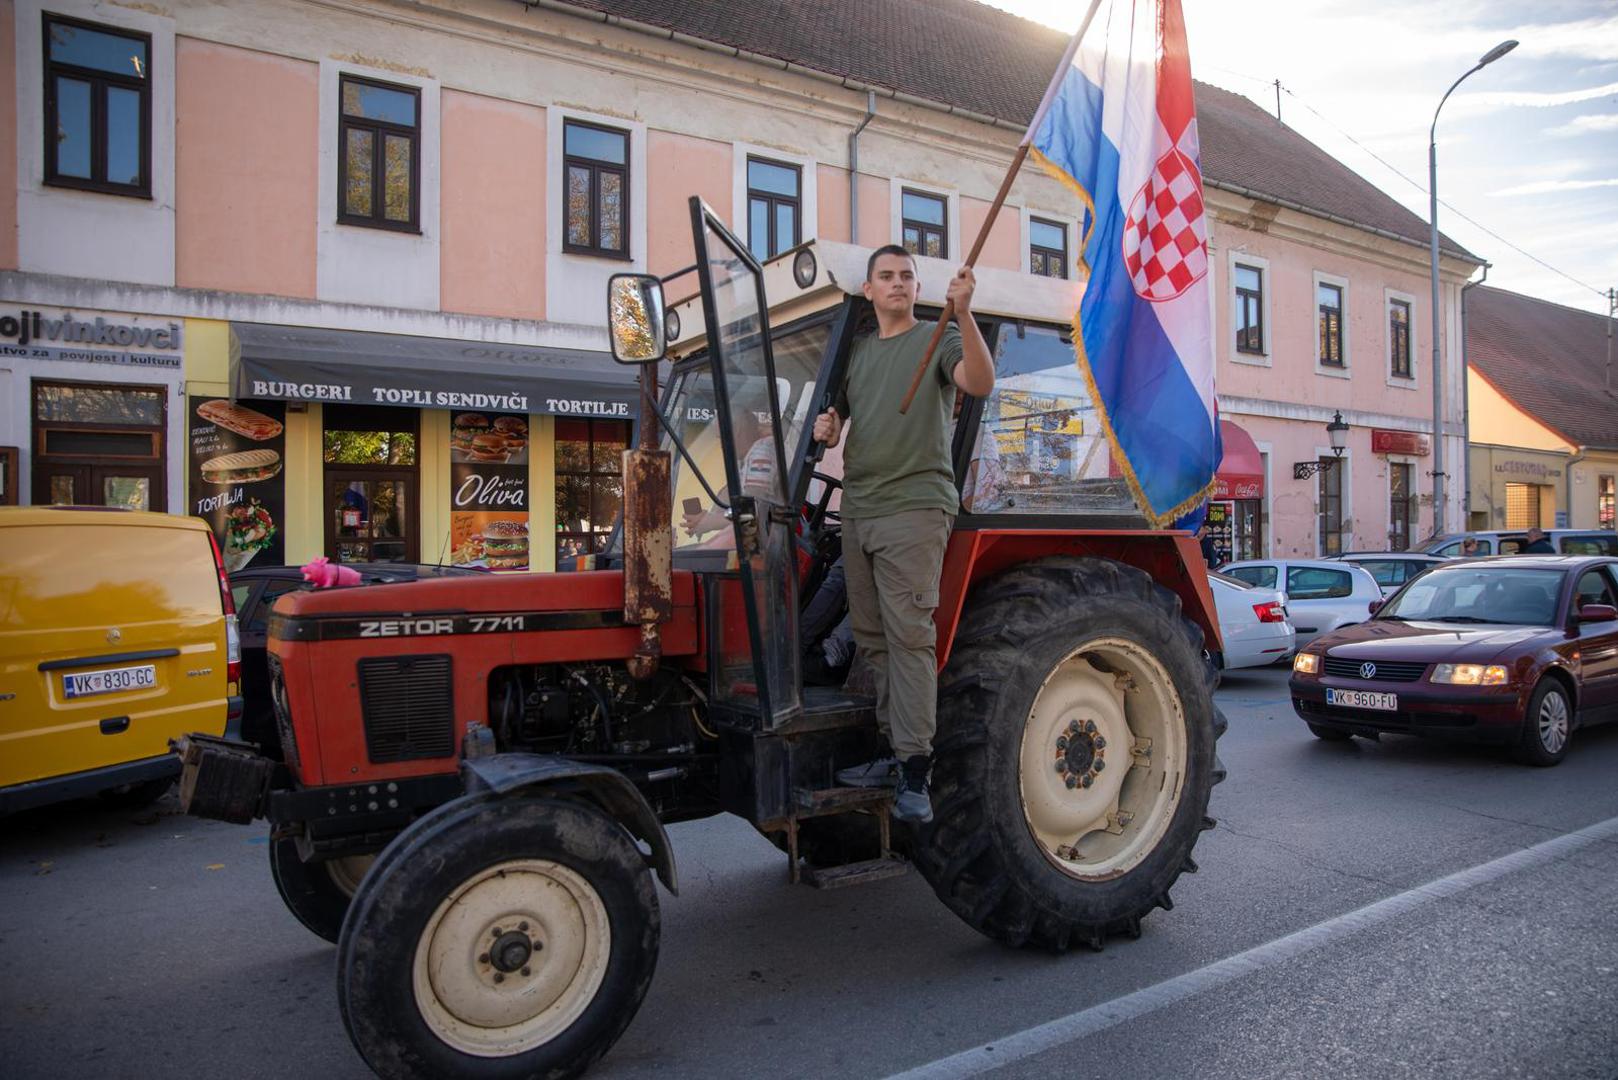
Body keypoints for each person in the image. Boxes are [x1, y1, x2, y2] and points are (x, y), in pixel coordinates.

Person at [814, 244, 995, 823]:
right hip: (860, 507)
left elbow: (980, 382)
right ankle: (894, 751)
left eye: (906, 277)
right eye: (886, 276)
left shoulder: (938, 339)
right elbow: (837, 415)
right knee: (872, 640)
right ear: (869, 290)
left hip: (914, 506)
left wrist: (963, 313)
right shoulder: (859, 353)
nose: (897, 284)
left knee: (909, 635)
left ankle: (916, 767)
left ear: (917, 289)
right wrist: (829, 423)